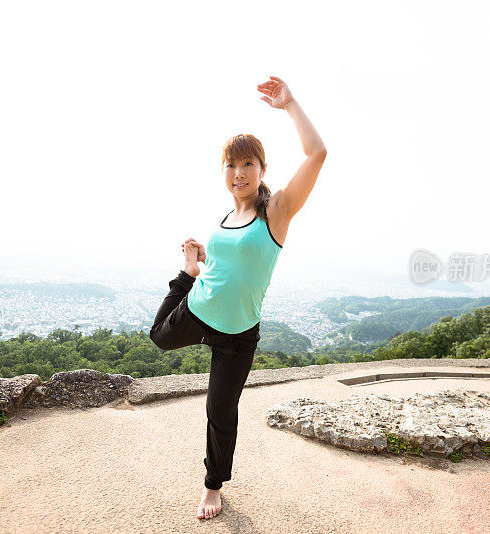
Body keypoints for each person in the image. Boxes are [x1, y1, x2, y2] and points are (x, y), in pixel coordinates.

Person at [148, 75, 327, 520]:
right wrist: (201, 260)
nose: (239, 173)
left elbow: (317, 154)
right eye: (231, 165)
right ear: (223, 172)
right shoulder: (227, 215)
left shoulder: (276, 211)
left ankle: (213, 487)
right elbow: (231, 265)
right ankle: (184, 277)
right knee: (158, 337)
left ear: (262, 170)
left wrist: (290, 105)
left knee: (220, 411)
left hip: (238, 335)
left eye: (248, 164)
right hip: (200, 309)